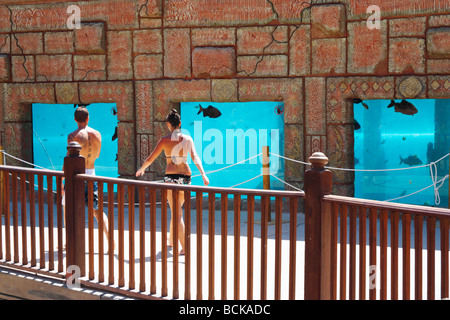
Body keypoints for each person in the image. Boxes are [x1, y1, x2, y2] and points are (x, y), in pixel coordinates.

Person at [136, 109, 209, 255]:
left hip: (171, 177)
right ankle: (171, 239)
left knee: (177, 213)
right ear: (180, 123)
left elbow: (151, 158)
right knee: (176, 210)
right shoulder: (188, 139)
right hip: (185, 177)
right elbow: (195, 158)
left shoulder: (164, 140)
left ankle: (185, 248)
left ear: (168, 124)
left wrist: (142, 169)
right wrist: (203, 174)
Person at [62, 106, 114, 252]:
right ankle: (111, 242)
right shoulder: (97, 134)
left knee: (68, 208)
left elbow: (69, 159)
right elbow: (96, 155)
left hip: (75, 175)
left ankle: (69, 242)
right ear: (88, 118)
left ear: (74, 119)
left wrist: (61, 181)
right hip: (91, 173)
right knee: (97, 211)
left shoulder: (72, 136)